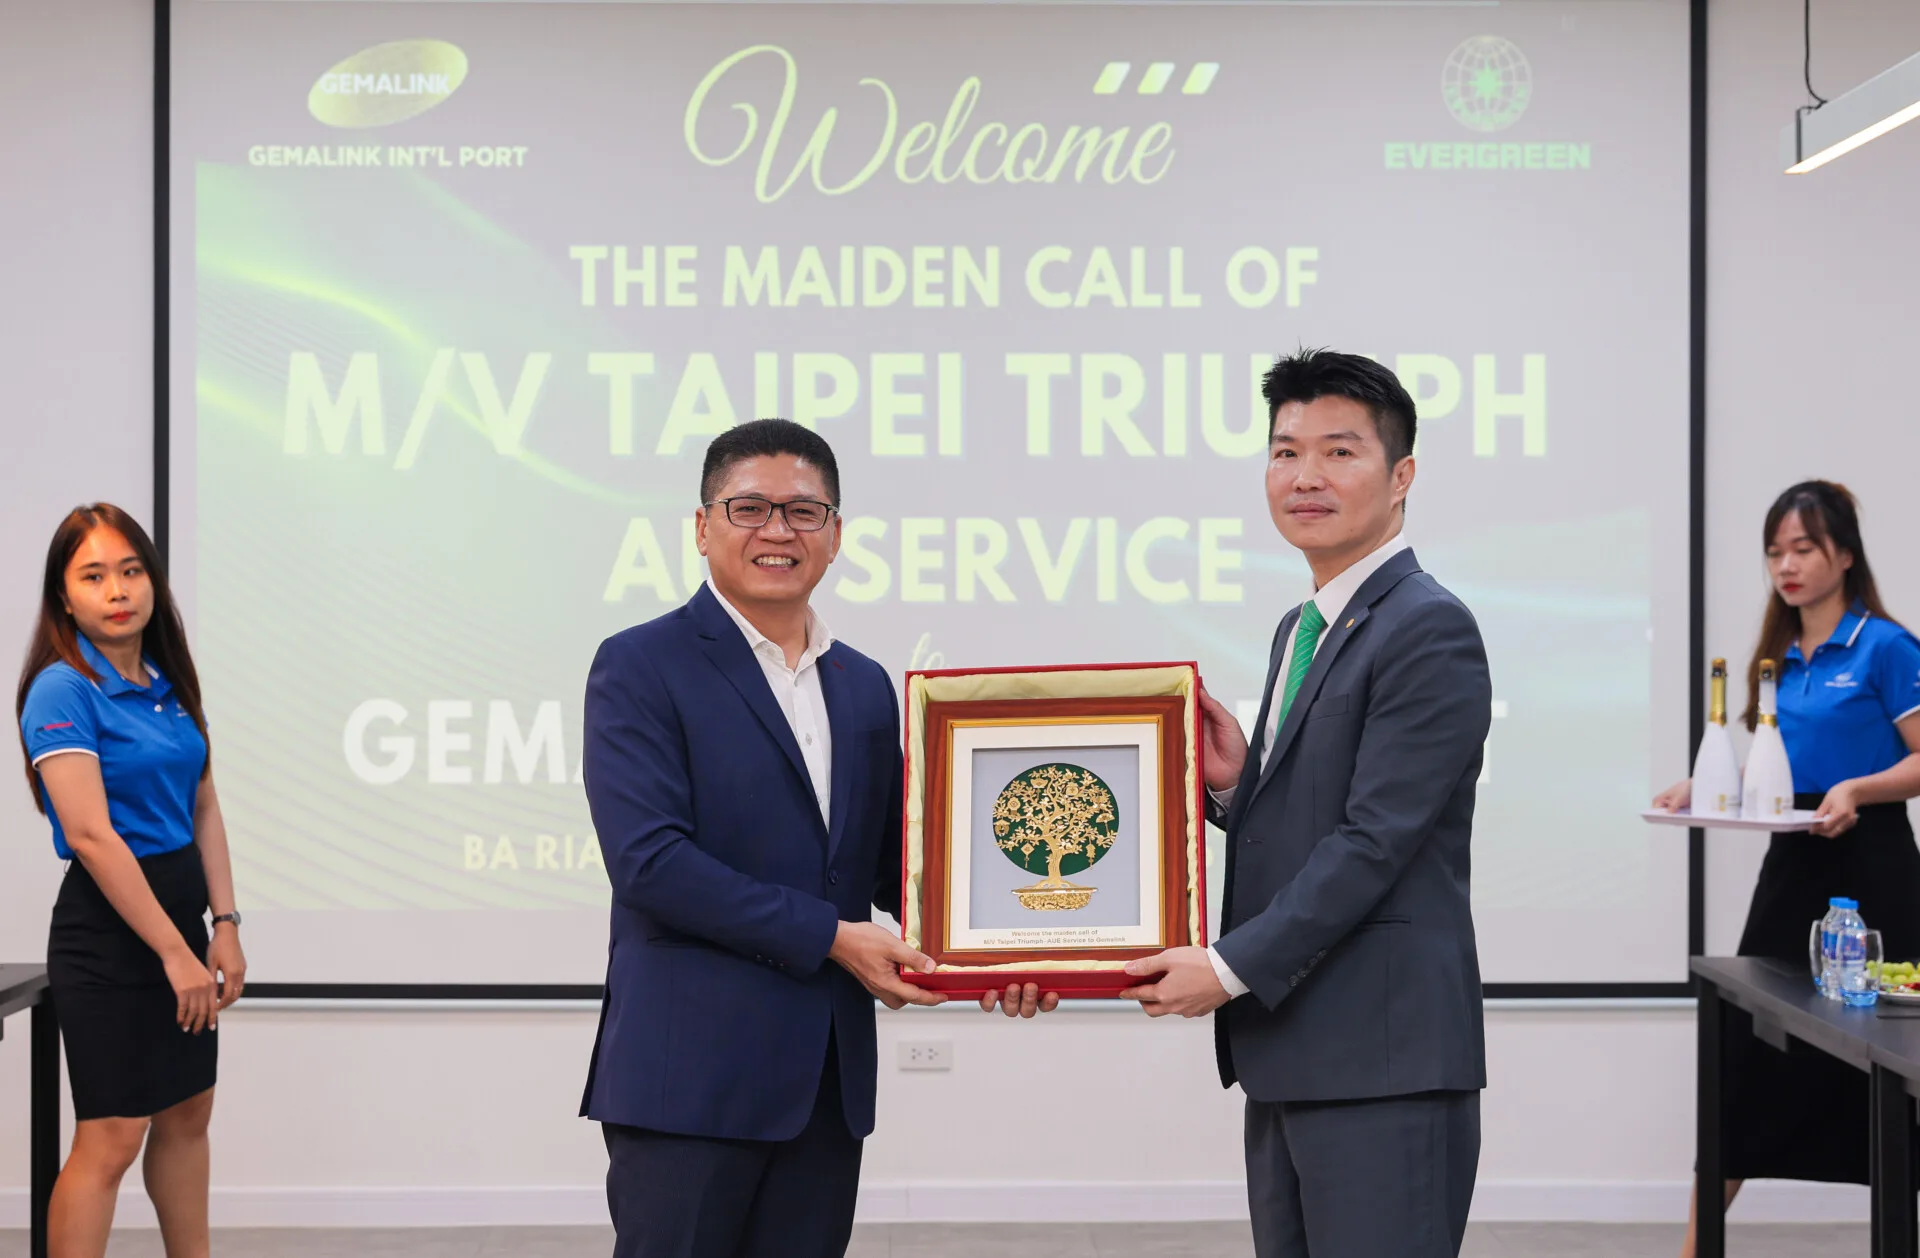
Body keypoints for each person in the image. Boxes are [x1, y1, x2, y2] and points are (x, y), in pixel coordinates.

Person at [581, 419, 1055, 1258]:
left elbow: (900, 865)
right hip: (689, 1080)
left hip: (824, 1084)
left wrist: (1016, 949)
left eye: (804, 511)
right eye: (749, 508)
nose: (778, 530)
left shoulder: (862, 683)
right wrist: (835, 938)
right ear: (702, 527)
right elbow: (650, 863)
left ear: (835, 535)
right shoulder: (641, 664)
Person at [1120, 350, 1490, 1258]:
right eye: (1286, 452)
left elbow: (1374, 841)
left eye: (1339, 451)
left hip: (1381, 1062)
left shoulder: (1427, 626)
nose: (1305, 476)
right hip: (1295, 1049)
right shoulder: (1306, 624)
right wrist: (1235, 785)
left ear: (1401, 476)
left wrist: (1228, 966)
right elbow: (1321, 811)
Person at [1654, 480, 1920, 1258]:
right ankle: (1694, 1249)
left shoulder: (1886, 646)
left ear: (1845, 554)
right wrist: (1703, 785)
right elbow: (1781, 769)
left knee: (1896, 1057)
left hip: (1876, 869)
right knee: (1746, 1056)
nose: (1788, 566)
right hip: (1791, 871)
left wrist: (1859, 791)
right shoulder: (1781, 657)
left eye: (1804, 548)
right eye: (1775, 552)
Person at [14, 504, 246, 1258]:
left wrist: (224, 924)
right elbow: (90, 835)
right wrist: (174, 953)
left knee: (186, 1116)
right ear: (64, 596)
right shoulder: (61, 689)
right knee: (111, 1136)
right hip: (109, 935)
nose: (117, 590)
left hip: (181, 914)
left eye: (130, 570)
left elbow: (203, 804)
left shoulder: (165, 682)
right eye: (93, 576)